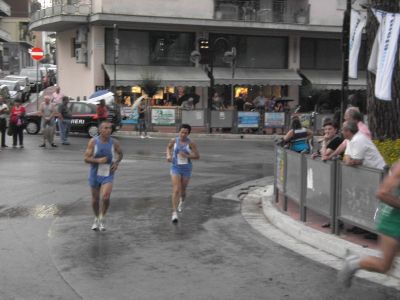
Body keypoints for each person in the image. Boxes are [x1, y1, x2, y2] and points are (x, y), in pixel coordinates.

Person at [338, 162, 400, 287]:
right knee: (384, 266)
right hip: (393, 224)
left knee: (389, 264)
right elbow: (382, 193)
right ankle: (353, 263)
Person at [84, 121, 123, 231]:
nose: (108, 130)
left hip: (108, 173)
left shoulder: (114, 142)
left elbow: (120, 154)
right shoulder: (93, 142)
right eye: (105, 128)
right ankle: (96, 218)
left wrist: (116, 163)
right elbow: (86, 158)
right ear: (100, 130)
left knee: (106, 197)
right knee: (95, 199)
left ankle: (102, 217)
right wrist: (98, 160)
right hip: (94, 173)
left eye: (110, 128)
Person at [166, 124, 200, 223]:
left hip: (186, 168)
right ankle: (174, 213)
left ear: (188, 133)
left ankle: (181, 201)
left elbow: (197, 156)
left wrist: (187, 155)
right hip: (175, 167)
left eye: (185, 133)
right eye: (182, 132)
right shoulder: (174, 140)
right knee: (176, 189)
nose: (183, 134)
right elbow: (168, 148)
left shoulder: (191, 143)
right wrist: (168, 155)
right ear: (179, 132)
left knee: (183, 190)